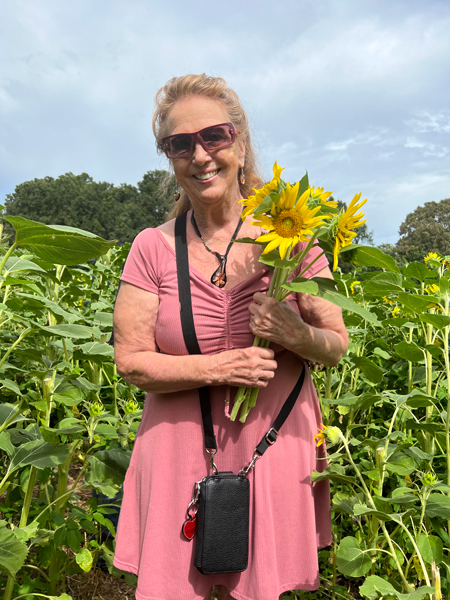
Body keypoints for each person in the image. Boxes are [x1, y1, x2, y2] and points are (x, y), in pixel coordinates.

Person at [112, 74, 349, 600]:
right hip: (176, 443)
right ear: (169, 159)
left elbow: (336, 342)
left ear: (239, 144)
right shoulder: (151, 247)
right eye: (180, 144)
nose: (200, 155)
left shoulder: (291, 236)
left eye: (213, 136)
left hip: (272, 440)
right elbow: (130, 362)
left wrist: (296, 334)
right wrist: (221, 367)